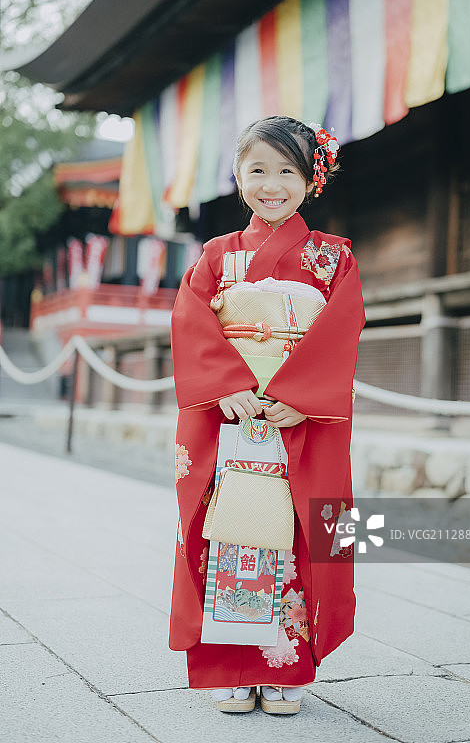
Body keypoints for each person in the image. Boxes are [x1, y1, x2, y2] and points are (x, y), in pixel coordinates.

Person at [169, 116, 366, 714]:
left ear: (311, 179)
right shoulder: (216, 254)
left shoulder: (334, 257)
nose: (271, 184)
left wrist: (302, 395)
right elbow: (189, 320)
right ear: (237, 176)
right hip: (229, 413)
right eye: (257, 170)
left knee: (304, 528)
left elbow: (343, 327)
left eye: (287, 171)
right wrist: (225, 384)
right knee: (225, 527)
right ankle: (229, 665)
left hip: (300, 416)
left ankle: (287, 666)